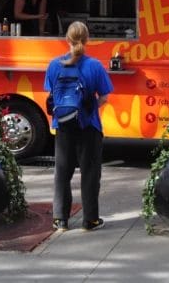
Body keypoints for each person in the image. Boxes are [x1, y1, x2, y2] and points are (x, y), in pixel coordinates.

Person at [44, 21, 113, 232]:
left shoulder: (54, 65)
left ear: (67, 39)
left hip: (63, 125)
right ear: (87, 39)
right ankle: (90, 219)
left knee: (62, 173)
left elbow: (51, 94)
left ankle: (60, 219)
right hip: (89, 126)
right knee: (90, 173)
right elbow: (104, 97)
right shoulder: (94, 66)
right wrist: (89, 109)